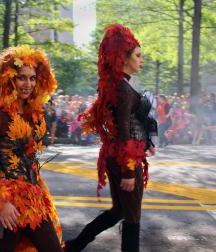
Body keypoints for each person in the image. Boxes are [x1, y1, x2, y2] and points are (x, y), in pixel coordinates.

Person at [0, 46, 62, 252]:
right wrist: (3, 202)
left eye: (32, 78)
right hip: (6, 197)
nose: (28, 84)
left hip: (33, 195)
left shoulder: (32, 110)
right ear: (10, 79)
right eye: (22, 78)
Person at [64, 24, 155, 252]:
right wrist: (127, 171)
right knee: (132, 216)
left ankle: (76, 245)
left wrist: (148, 140)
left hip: (118, 155)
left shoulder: (118, 84)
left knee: (119, 211)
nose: (141, 60)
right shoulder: (122, 88)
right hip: (126, 159)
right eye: (138, 55)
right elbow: (123, 128)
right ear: (123, 58)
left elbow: (127, 123)